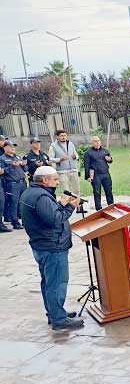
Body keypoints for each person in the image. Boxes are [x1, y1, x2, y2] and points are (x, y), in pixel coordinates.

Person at [19, 166, 85, 329]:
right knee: (56, 282)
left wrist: (60, 204)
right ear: (44, 180)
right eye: (55, 179)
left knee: (48, 282)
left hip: (42, 245)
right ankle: (58, 319)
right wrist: (70, 206)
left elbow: (47, 214)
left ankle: (55, 312)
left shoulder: (31, 192)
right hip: (52, 246)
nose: (57, 182)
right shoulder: (41, 196)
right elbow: (55, 219)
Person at [47, 130, 84, 214]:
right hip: (62, 171)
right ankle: (66, 209)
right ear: (57, 137)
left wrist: (76, 156)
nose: (64, 137)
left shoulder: (70, 143)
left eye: (65, 135)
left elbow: (76, 154)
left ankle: (78, 207)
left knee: (77, 190)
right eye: (61, 136)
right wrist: (60, 159)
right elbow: (50, 158)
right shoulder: (53, 146)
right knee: (66, 191)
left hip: (73, 169)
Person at [83, 136, 114, 211]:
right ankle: (98, 209)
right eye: (95, 141)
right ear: (92, 143)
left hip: (105, 173)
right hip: (96, 175)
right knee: (97, 192)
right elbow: (86, 165)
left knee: (109, 190)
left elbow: (110, 160)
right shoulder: (88, 153)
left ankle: (111, 206)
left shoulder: (105, 151)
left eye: (98, 141)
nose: (97, 142)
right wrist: (88, 176)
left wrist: (110, 159)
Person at [1, 140, 27, 229]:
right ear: (5, 148)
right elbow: (2, 172)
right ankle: (15, 222)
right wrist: (12, 166)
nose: (13, 148)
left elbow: (25, 169)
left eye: (14, 146)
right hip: (12, 184)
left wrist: (24, 164)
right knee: (14, 203)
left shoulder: (18, 156)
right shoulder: (2, 158)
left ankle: (25, 221)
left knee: (23, 202)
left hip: (22, 182)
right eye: (10, 146)